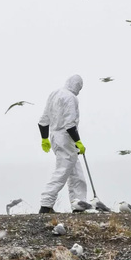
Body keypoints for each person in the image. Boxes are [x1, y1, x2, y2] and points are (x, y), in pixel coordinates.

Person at [37, 75, 88, 214]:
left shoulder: (54, 94)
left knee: (76, 173)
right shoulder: (71, 98)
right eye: (80, 87)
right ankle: (46, 205)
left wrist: (44, 138)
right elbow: (70, 124)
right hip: (66, 138)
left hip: (55, 137)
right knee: (62, 171)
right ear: (77, 85)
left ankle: (79, 205)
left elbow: (43, 120)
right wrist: (78, 141)